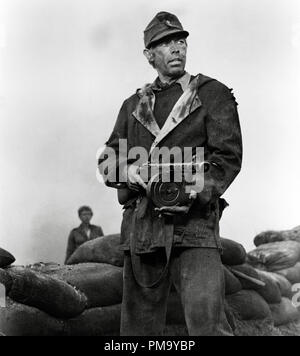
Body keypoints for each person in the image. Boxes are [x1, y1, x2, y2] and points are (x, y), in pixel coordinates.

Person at [98, 11, 242, 336]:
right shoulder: (133, 106)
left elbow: (228, 157)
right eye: (164, 43)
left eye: (180, 41)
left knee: (208, 326)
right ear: (150, 55)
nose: (176, 48)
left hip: (195, 227)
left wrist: (195, 187)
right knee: (138, 332)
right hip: (143, 229)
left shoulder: (210, 94)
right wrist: (129, 172)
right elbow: (108, 160)